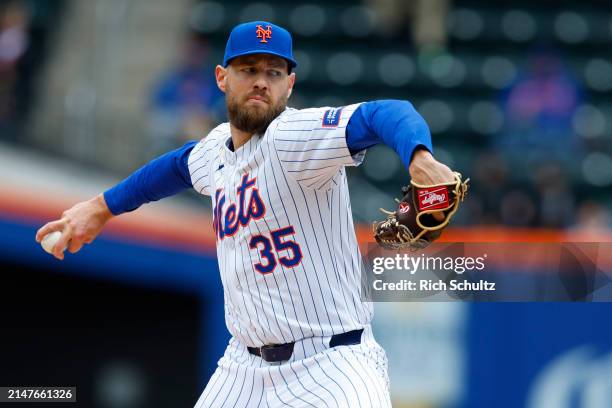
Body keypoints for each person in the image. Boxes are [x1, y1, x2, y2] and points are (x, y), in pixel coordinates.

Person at [36, 21, 456, 407]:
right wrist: (101, 207)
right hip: (244, 369)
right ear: (222, 78)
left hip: (332, 366)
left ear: (289, 85)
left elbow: (385, 112)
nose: (261, 82)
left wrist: (418, 155)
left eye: (274, 73)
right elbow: (175, 168)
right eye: (248, 69)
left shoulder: (295, 137)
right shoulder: (215, 151)